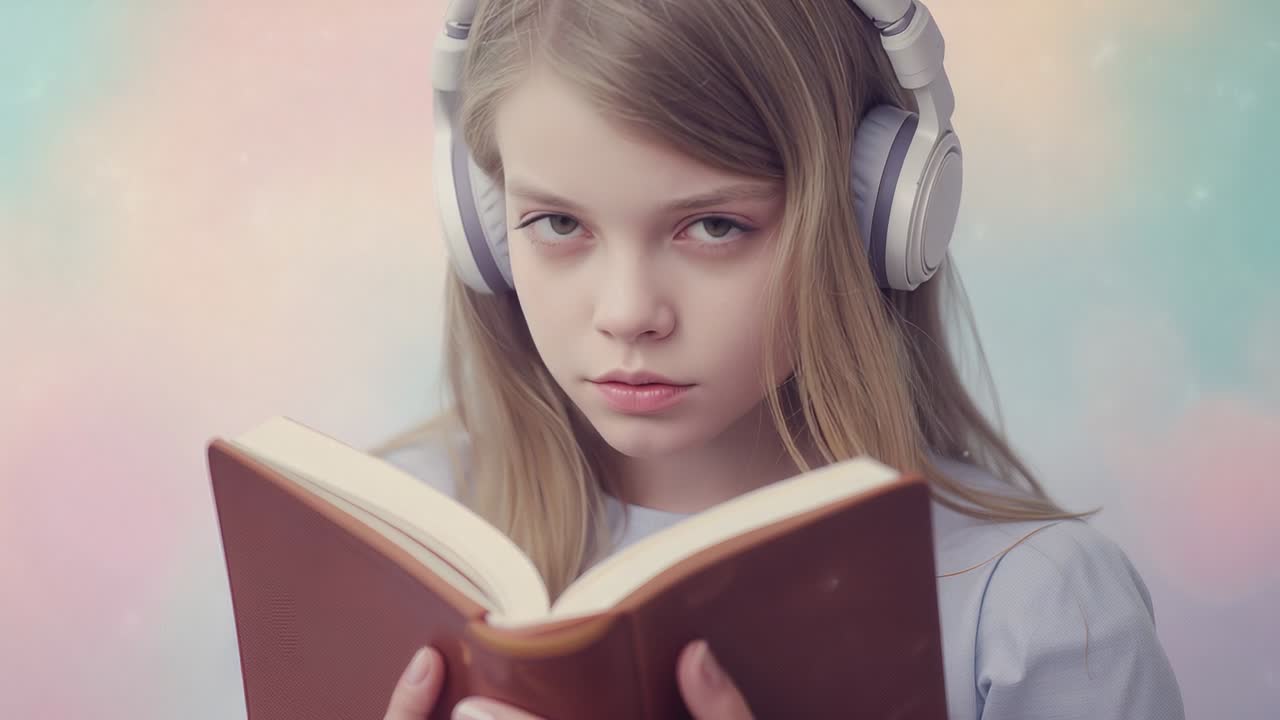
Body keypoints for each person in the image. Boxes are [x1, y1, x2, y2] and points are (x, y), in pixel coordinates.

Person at [372, 0, 1185, 717]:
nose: (627, 315)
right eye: (556, 224)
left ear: (877, 217)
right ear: (484, 226)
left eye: (715, 227)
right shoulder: (399, 538)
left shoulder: (1038, 610)